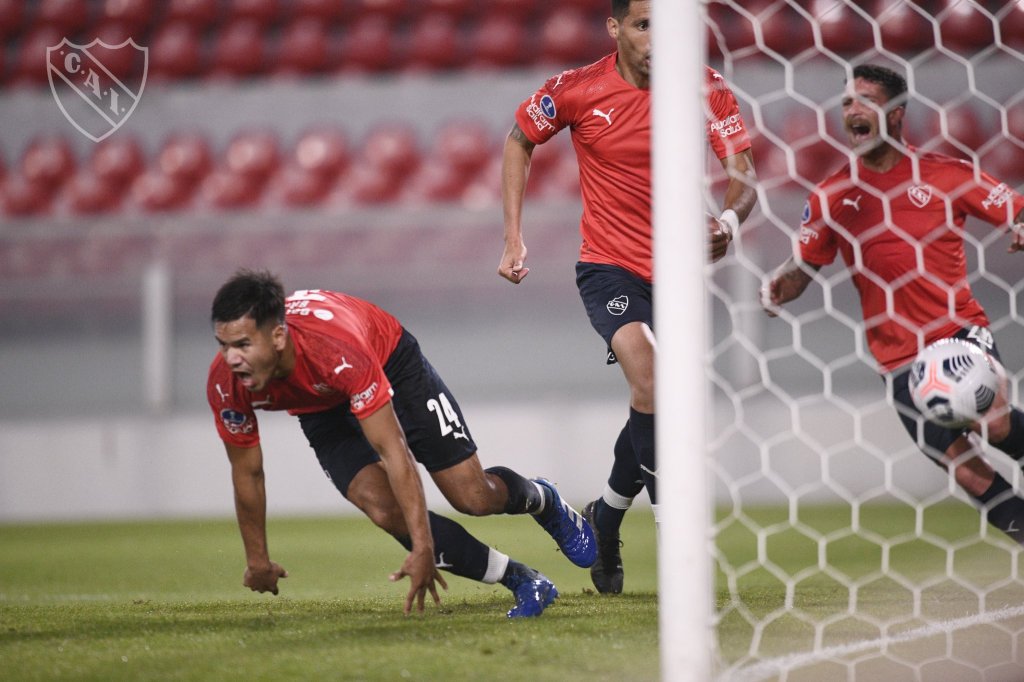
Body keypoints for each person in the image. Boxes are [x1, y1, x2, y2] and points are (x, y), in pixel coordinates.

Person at [498, 0, 758, 593]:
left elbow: (742, 170)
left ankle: (606, 516)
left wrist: (729, 224)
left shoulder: (703, 88)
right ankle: (675, 531)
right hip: (608, 268)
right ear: (615, 29)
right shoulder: (578, 89)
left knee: (655, 396)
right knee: (650, 373)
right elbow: (519, 140)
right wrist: (513, 236)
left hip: (680, 275)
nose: (655, 38)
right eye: (643, 25)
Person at [206, 270, 596, 618]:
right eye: (224, 346)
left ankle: (542, 499)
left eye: (242, 344)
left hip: (389, 360)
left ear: (278, 336)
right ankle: (524, 580)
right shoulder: (225, 383)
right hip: (320, 407)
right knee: (382, 508)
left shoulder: (336, 352)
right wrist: (257, 560)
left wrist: (423, 546)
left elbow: (396, 453)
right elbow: (248, 472)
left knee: (473, 497)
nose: (232, 359)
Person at [761, 63, 1024, 544]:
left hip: (958, 333)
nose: (851, 111)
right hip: (899, 361)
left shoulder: (946, 175)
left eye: (865, 101)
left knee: (998, 423)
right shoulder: (832, 196)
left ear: (897, 114)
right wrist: (781, 284)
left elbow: (1015, 208)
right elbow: (803, 269)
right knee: (968, 472)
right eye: (845, 103)